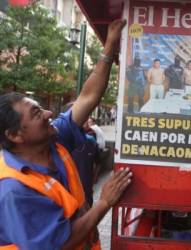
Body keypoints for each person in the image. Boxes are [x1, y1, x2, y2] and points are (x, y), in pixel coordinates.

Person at [0, 19, 132, 250]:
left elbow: (87, 98)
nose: (49, 113)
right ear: (15, 135)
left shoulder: (53, 140)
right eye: (36, 112)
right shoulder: (13, 190)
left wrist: (110, 45)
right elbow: (60, 244)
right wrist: (104, 202)